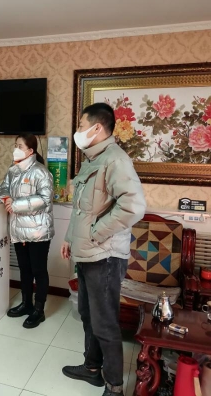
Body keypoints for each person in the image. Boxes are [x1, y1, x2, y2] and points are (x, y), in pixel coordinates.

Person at [61, 103, 146, 396]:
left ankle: (115, 385)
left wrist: (96, 233)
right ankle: (92, 368)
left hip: (105, 255)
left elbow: (133, 206)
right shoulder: (92, 159)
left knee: (105, 322)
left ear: (97, 128)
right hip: (88, 252)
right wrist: (70, 238)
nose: (78, 131)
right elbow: (81, 209)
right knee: (87, 314)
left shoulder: (115, 160)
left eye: (81, 125)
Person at [0, 133, 54, 329]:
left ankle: (39, 310)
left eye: (19, 146)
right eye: (15, 145)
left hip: (38, 231)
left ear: (30, 151)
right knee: (25, 269)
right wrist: (7, 200)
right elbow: (3, 188)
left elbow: (45, 199)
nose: (16, 149)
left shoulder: (41, 172)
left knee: (39, 270)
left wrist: (16, 205)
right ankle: (26, 304)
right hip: (19, 230)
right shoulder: (13, 170)